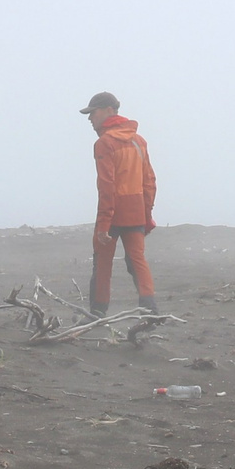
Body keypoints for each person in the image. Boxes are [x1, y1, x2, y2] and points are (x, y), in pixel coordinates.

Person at [80, 91, 159, 315]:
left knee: (102, 263)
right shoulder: (139, 141)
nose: (89, 119)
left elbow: (107, 186)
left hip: (113, 212)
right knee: (137, 260)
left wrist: (104, 224)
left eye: (92, 113)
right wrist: (146, 215)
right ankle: (150, 309)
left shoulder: (104, 143)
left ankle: (97, 313)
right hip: (135, 211)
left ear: (108, 111)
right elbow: (149, 181)